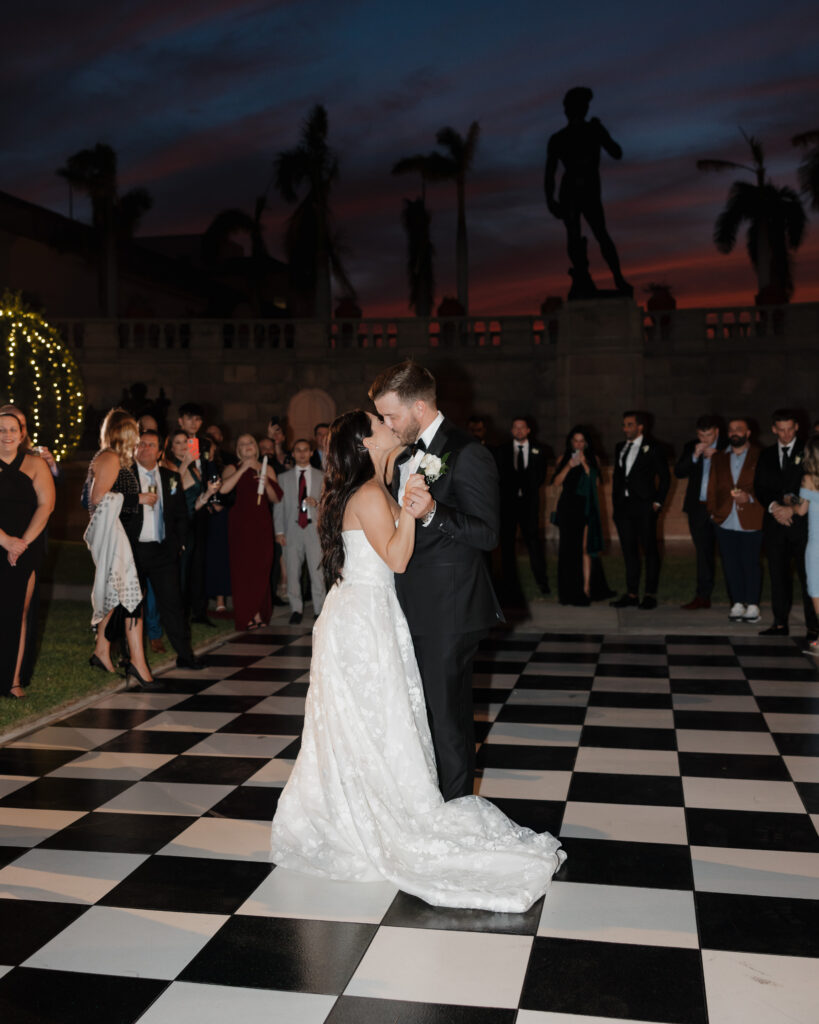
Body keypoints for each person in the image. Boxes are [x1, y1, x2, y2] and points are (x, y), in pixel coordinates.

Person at [270, 409, 565, 911]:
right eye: (379, 424)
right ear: (366, 443)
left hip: (366, 614)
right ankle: (365, 819)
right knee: (374, 722)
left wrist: (410, 502)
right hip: (363, 621)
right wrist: (414, 505)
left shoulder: (368, 490)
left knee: (373, 725)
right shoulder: (367, 493)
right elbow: (398, 558)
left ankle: (359, 810)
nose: (389, 426)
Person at [371, 361, 503, 801]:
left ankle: (458, 811)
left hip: (449, 609)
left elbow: (487, 533)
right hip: (408, 603)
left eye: (391, 416)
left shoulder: (468, 452)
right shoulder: (404, 455)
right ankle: (429, 803)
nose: (386, 425)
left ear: (420, 406)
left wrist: (432, 513)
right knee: (418, 713)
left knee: (447, 719)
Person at [84, 408, 157, 691]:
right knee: (131, 597)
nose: (138, 439)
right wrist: (137, 498)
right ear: (124, 432)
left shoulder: (115, 458)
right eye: (135, 433)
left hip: (124, 536)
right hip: (117, 538)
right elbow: (98, 498)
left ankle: (102, 652)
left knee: (119, 596)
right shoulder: (109, 457)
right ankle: (138, 664)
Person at [132, 430, 210, 670]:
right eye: (141, 444)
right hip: (134, 550)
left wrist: (179, 543)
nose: (145, 448)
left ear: (159, 450)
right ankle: (127, 654)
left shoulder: (171, 477)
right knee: (130, 604)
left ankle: (185, 655)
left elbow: (179, 514)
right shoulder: (126, 476)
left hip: (163, 551)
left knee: (172, 604)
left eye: (151, 445)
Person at [544, 86, 632, 297]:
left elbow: (616, 152)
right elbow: (549, 173)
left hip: (586, 192)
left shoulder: (590, 131)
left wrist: (603, 133)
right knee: (579, 235)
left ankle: (617, 278)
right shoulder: (562, 137)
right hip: (574, 192)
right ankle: (587, 277)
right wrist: (550, 200)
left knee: (598, 234)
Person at [0, 409, 55, 698]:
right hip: (2, 543)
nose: (7, 435)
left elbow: (46, 505)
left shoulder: (36, 464)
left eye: (13, 429)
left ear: (22, 433)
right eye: (1, 429)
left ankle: (13, 680)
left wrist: (21, 543)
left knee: (18, 612)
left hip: (25, 549)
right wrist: (5, 541)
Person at [753, 409, 819, 639]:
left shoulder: (809, 450)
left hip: (802, 526)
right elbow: (760, 486)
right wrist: (774, 507)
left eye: (790, 429)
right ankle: (780, 623)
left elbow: (811, 485)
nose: (786, 434)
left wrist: (791, 509)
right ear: (773, 429)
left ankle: (814, 625)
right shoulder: (766, 454)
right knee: (777, 575)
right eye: (781, 430)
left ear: (797, 427)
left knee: (808, 577)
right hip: (775, 525)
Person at [219, 433, 283, 630]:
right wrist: (244, 468)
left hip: (261, 523)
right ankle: (249, 614)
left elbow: (275, 498)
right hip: (240, 524)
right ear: (238, 449)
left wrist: (266, 483)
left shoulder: (268, 468)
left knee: (262, 568)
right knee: (244, 569)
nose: (247, 446)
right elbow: (223, 490)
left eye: (250, 443)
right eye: (242, 444)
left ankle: (258, 610)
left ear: (255, 447)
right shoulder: (232, 467)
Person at [610, 411, 670, 609]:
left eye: (629, 424)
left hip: (645, 506)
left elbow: (665, 478)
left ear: (640, 426)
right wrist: (616, 505)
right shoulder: (620, 447)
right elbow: (618, 478)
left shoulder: (653, 448)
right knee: (629, 551)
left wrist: (658, 502)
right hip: (623, 508)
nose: (625, 428)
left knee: (650, 550)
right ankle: (632, 593)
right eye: (624, 425)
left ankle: (650, 594)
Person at [706, 419, 763, 623]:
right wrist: (713, 513)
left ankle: (753, 604)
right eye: (731, 430)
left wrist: (749, 498)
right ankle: (737, 602)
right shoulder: (719, 457)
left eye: (739, 430)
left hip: (752, 516)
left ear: (748, 432)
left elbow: (766, 487)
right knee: (730, 564)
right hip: (724, 519)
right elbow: (711, 487)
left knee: (750, 563)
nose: (734, 433)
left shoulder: (761, 455)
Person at [552, 425, 613, 605]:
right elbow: (556, 482)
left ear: (586, 443)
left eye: (581, 441)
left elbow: (596, 483)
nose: (578, 444)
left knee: (585, 549)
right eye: (575, 441)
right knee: (569, 550)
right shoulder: (563, 459)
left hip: (585, 508)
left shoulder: (594, 459)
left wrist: (585, 463)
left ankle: (586, 588)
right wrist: (570, 466)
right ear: (571, 442)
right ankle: (570, 590)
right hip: (567, 508)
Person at [495, 416, 550, 599]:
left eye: (522, 428)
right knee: (507, 546)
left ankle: (542, 582)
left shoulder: (539, 450)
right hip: (508, 506)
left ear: (528, 430)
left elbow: (540, 477)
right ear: (512, 430)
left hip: (529, 506)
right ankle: (508, 586)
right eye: (515, 427)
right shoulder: (502, 451)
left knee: (534, 544)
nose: (519, 431)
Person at [274, 439, 326, 625]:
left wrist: (318, 504)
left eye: (305, 450)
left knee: (317, 571)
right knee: (292, 570)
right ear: (293, 453)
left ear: (311, 452)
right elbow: (278, 507)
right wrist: (279, 531)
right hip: (292, 528)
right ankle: (296, 608)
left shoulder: (322, 476)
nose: (302, 453)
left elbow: (329, 504)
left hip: (313, 528)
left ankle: (319, 609)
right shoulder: (283, 478)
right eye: (298, 450)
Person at [675, 416, 723, 610]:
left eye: (709, 435)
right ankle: (703, 596)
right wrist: (694, 457)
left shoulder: (728, 446)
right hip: (698, 508)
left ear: (717, 432)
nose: (706, 439)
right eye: (702, 435)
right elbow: (679, 472)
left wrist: (719, 458)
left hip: (722, 507)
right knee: (703, 553)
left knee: (728, 552)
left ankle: (739, 597)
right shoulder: (691, 446)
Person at [795, 437, 819, 655]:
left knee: (816, 589)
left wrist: (791, 503)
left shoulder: (809, 479)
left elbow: (801, 511)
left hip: (816, 545)